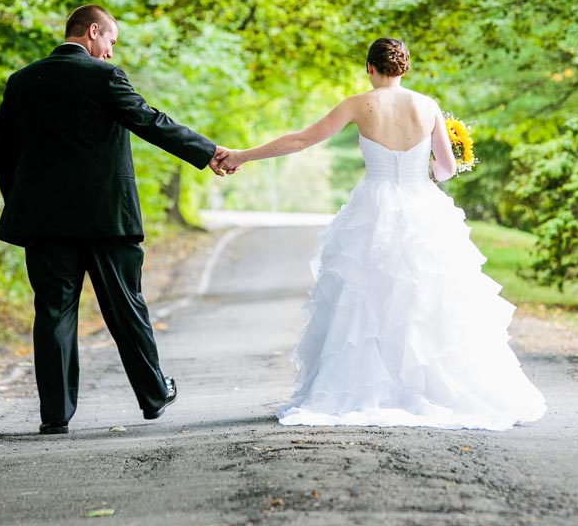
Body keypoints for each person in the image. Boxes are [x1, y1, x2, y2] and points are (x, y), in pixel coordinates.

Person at [221, 37, 546, 429]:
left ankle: (365, 387)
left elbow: (302, 140)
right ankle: (426, 388)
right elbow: (445, 167)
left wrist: (240, 155)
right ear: (404, 68)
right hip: (422, 207)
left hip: (372, 209)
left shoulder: (358, 104)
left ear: (370, 68)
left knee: (365, 298)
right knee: (428, 297)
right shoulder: (427, 107)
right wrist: (428, 171)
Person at [0, 5, 232, 435]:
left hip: (44, 223)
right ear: (93, 31)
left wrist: (24, 207)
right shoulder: (105, 77)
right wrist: (207, 152)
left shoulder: (22, 82)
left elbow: (4, 151)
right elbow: (149, 122)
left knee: (53, 313)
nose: (109, 52)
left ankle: (55, 416)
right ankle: (154, 395)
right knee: (125, 305)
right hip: (108, 219)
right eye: (110, 42)